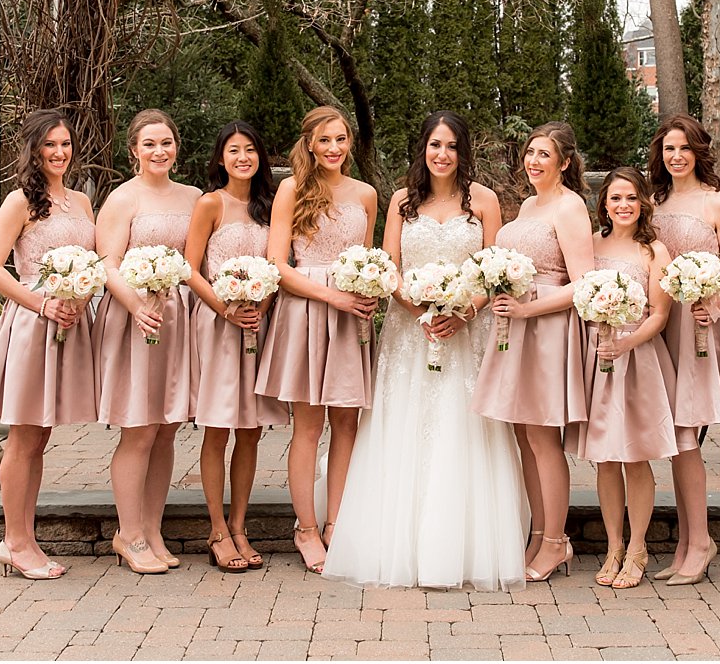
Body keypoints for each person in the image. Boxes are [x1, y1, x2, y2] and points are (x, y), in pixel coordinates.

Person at [323, 112, 526, 590]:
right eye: (435, 145)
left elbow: (493, 269)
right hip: (409, 333)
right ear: (423, 148)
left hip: (464, 333)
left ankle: (464, 547)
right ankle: (399, 545)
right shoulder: (400, 202)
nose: (443, 154)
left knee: (462, 428)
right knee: (405, 428)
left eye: (452, 146)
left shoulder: (485, 202)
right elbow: (389, 268)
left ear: (463, 152)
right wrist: (419, 309)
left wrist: (464, 312)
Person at [0, 108, 98, 581]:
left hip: (71, 324)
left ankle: (23, 537)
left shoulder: (82, 203)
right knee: (23, 437)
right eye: (50, 145)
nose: (59, 153)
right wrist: (41, 304)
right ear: (34, 150)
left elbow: (96, 262)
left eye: (65, 144)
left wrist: (81, 295)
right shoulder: (20, 201)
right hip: (31, 325)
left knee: (40, 437)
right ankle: (16, 541)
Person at [254, 106, 379, 574]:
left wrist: (365, 292)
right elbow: (278, 264)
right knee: (308, 426)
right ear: (309, 143)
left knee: (347, 425)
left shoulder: (366, 194)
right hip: (307, 312)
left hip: (352, 319)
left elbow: (369, 257)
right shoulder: (292, 189)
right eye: (324, 140)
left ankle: (336, 524)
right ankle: (305, 529)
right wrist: (332, 296)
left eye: (341, 139)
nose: (333, 148)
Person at [471, 121, 593, 583]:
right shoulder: (526, 205)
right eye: (530, 153)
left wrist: (528, 309)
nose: (534, 161)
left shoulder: (570, 207)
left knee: (543, 439)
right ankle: (539, 533)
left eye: (544, 155)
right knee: (524, 437)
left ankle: (557, 541)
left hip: (545, 331)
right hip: (513, 328)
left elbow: (582, 284)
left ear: (564, 162)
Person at [92, 110, 201, 575]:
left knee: (166, 427)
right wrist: (137, 307)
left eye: (167, 143)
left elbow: (198, 260)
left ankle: (153, 529)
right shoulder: (122, 199)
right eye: (150, 144)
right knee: (138, 428)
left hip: (178, 316)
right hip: (136, 318)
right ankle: (128, 534)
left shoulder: (195, 197)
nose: (160, 151)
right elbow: (107, 262)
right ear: (133, 150)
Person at [566, 168, 678, 591]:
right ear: (604, 204)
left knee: (634, 456)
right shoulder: (591, 247)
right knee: (606, 458)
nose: (623, 205)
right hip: (598, 357)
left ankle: (637, 548)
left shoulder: (654, 251)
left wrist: (627, 343)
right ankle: (613, 547)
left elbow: (660, 315)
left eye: (631, 197)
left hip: (637, 359)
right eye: (615, 198)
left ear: (643, 202)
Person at [185, 121, 287, 572]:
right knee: (218, 427)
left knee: (251, 430)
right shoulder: (210, 203)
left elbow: (281, 264)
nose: (243, 157)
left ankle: (240, 526)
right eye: (233, 150)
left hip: (259, 324)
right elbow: (190, 270)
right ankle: (217, 530)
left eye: (250, 149)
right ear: (220, 158)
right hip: (218, 324)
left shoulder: (271, 206)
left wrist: (261, 306)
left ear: (260, 157)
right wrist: (226, 310)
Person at [647, 115, 720, 585]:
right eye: (668, 148)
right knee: (676, 438)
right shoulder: (652, 201)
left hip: (700, 327)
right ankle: (688, 542)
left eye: (684, 147)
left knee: (686, 435)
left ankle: (699, 542)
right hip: (660, 325)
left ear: (698, 151)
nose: (676, 156)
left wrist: (715, 305)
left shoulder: (719, 204)